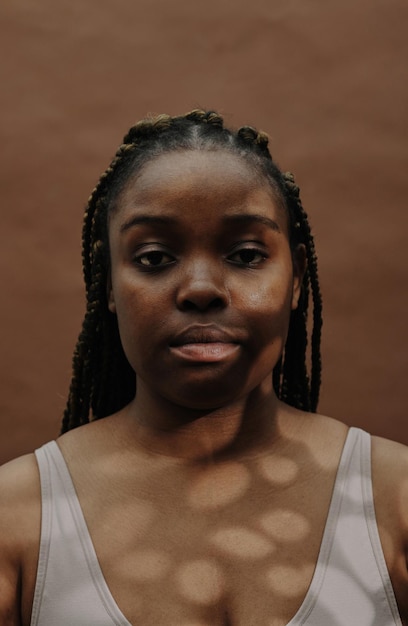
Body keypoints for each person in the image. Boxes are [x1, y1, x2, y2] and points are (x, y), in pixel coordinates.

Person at [0, 109, 407, 626]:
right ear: (108, 284)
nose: (200, 290)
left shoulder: (395, 498)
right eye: (152, 258)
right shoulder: (16, 517)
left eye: (244, 254)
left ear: (298, 278)